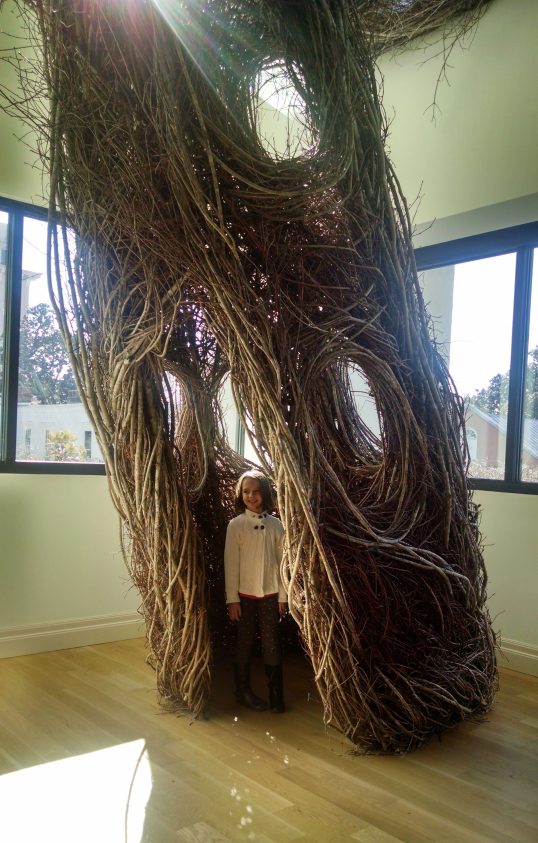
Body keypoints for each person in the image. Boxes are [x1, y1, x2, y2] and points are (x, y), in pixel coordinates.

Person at [224, 469, 287, 713]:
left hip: (271, 594)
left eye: (257, 492)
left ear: (265, 493)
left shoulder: (276, 525)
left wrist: (283, 596)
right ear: (240, 494)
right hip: (245, 596)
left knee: (271, 642)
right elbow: (231, 564)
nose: (251, 496)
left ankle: (276, 693)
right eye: (246, 492)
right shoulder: (236, 525)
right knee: (245, 641)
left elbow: (283, 564)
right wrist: (232, 599)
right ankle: (242, 691)